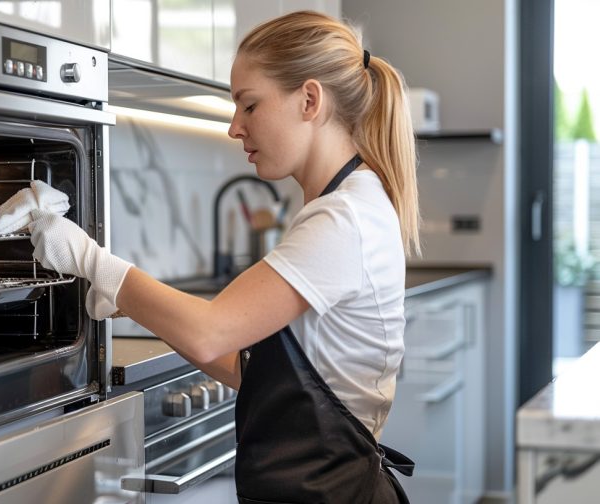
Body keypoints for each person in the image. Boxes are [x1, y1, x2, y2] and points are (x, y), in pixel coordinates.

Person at [28, 10, 420, 504]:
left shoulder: (344, 219)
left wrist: (89, 258)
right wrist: (136, 301)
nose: (235, 127)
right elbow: (245, 365)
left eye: (248, 105)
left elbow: (210, 331)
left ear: (309, 100)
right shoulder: (347, 205)